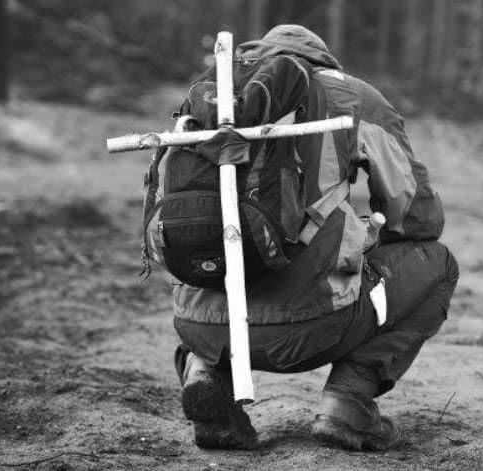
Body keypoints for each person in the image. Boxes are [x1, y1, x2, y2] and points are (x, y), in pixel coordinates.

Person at [161, 24, 459, 451]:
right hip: (312, 327)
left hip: (201, 324)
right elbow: (417, 218)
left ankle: (205, 376)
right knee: (440, 264)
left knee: (211, 250)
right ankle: (347, 404)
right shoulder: (354, 97)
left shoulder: (213, 96)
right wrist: (362, 235)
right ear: (324, 59)